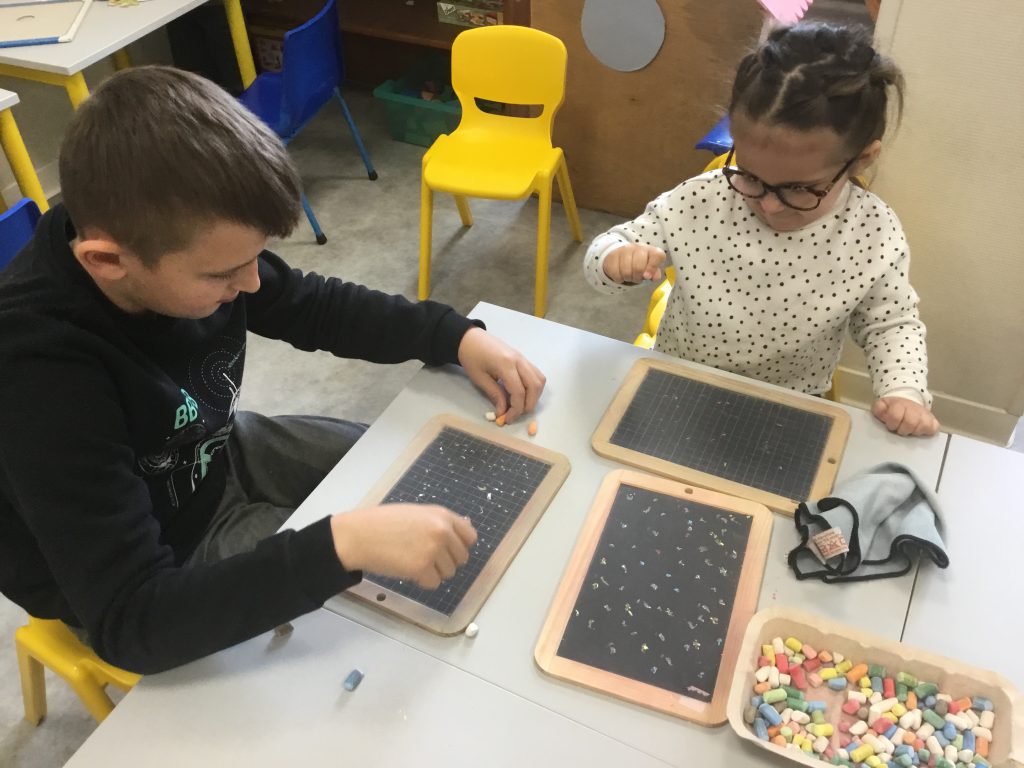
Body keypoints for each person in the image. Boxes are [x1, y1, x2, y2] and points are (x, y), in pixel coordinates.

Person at [0, 67, 545, 674]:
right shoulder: (38, 372)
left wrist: (453, 336)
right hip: (164, 557)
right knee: (387, 622)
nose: (252, 284)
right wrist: (343, 545)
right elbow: (132, 622)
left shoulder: (167, 237)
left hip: (213, 453)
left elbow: (312, 306)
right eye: (223, 274)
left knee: (419, 476)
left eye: (255, 258)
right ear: (106, 261)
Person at [584, 23, 938, 437]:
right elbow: (609, 248)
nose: (769, 204)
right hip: (682, 379)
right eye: (750, 176)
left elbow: (890, 323)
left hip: (789, 403)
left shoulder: (872, 232)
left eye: (799, 189)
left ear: (861, 159)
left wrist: (904, 392)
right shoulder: (703, 199)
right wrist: (615, 260)